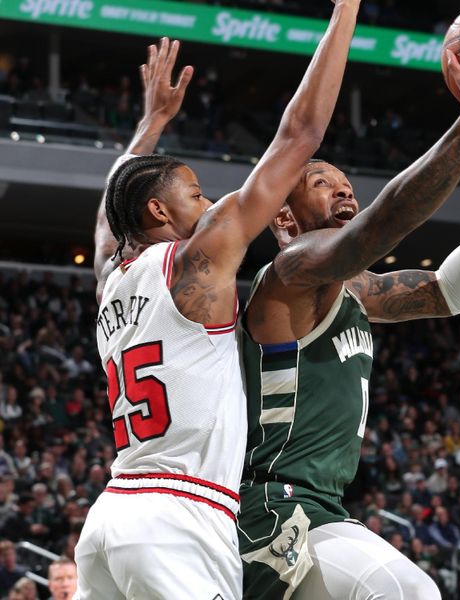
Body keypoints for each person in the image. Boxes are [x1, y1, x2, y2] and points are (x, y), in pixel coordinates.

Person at [238, 20, 460, 600]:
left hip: (312, 509)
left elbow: (448, 292)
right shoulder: (290, 276)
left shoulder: (354, 289)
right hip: (273, 506)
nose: (344, 192)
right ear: (284, 221)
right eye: (322, 183)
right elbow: (382, 224)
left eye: (347, 185)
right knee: (406, 591)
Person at [76, 0, 360, 597]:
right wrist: (345, 12)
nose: (208, 205)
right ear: (159, 211)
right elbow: (300, 136)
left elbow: (111, 206)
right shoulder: (196, 260)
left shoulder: (111, 274)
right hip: (180, 516)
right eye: (196, 194)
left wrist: (150, 122)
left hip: (110, 517)